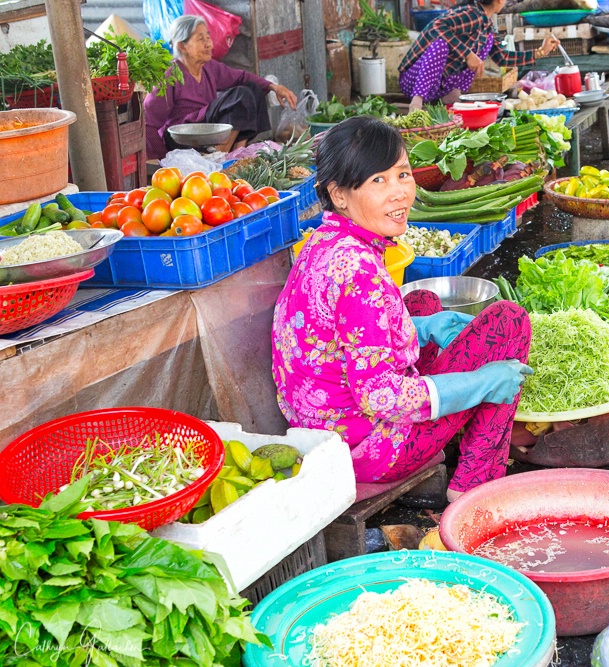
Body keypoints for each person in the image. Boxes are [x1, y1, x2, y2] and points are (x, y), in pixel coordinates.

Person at [271, 116, 533, 502]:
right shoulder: (358, 271)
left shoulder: (324, 241)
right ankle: (474, 485)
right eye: (378, 180)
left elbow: (347, 334)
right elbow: (379, 396)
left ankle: (469, 447)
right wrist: (482, 383)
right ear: (339, 194)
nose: (399, 193)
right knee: (508, 322)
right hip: (368, 452)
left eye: (402, 174)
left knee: (421, 302)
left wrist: (423, 327)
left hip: (326, 433)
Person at [144, 15, 298, 160]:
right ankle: (218, 158)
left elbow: (241, 77)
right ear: (182, 46)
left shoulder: (210, 68)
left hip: (208, 132)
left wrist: (273, 86)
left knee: (252, 89)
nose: (208, 44)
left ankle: (235, 154)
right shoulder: (171, 75)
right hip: (182, 139)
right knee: (240, 95)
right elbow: (149, 121)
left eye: (208, 37)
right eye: (200, 39)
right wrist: (163, 158)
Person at [399, 0, 560, 112]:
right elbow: (437, 26)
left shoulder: (488, 25)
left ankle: (453, 94)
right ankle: (417, 101)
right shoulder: (471, 13)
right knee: (440, 45)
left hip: (438, 87)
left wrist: (540, 52)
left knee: (487, 42)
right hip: (413, 82)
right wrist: (468, 54)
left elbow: (502, 58)